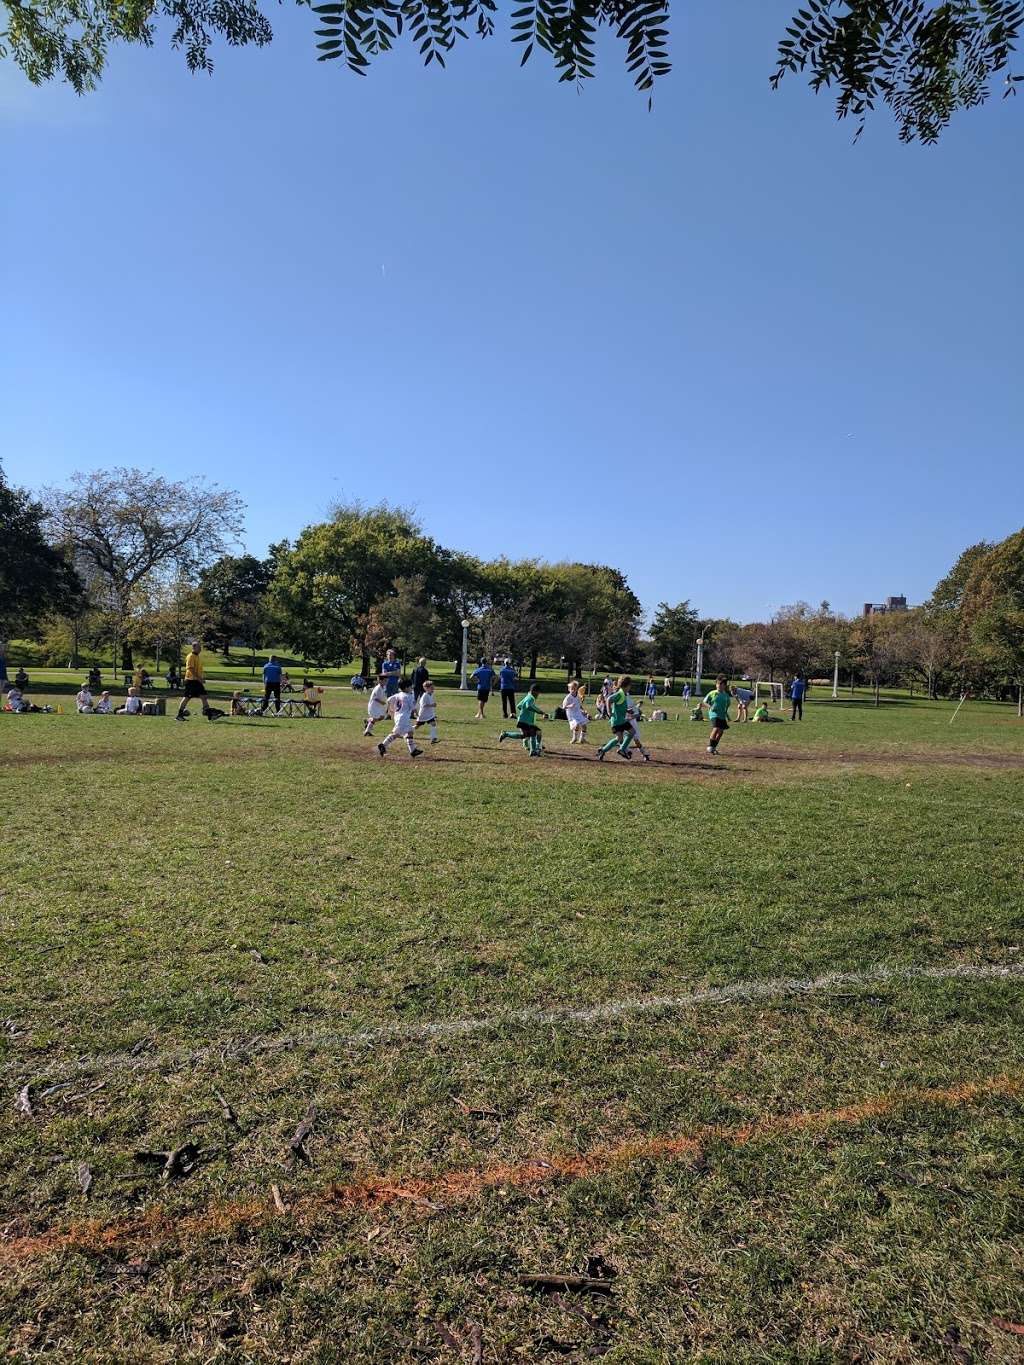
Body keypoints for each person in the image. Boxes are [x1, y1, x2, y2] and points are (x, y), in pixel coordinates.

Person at [498, 682, 547, 756]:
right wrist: (541, 712)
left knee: (526, 735)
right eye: (538, 693)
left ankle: (506, 734)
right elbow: (528, 706)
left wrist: (525, 713)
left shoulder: (528, 696)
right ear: (534, 691)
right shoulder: (531, 698)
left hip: (523, 720)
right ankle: (534, 750)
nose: (538, 695)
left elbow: (519, 706)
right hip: (525, 721)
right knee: (533, 733)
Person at [377, 679, 423, 758]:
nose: (412, 688)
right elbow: (413, 708)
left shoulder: (398, 694)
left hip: (398, 717)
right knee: (396, 734)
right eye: (410, 687)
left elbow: (388, 700)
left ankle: (413, 751)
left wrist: (390, 709)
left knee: (410, 732)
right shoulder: (409, 696)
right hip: (403, 719)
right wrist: (418, 714)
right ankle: (383, 745)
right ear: (406, 688)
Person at [596, 675, 635, 761]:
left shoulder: (623, 693)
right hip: (617, 720)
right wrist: (609, 712)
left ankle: (603, 750)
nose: (630, 687)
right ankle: (622, 749)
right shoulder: (620, 693)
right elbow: (609, 699)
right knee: (631, 732)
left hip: (620, 720)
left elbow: (619, 706)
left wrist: (628, 710)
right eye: (630, 685)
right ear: (627, 685)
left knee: (619, 738)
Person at [175, 642, 217, 721]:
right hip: (191, 681)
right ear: (194, 647)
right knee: (187, 698)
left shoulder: (197, 656)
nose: (200, 649)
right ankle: (179, 715)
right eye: (199, 647)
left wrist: (200, 678)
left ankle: (209, 715)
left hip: (197, 681)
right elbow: (190, 669)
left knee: (204, 696)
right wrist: (199, 678)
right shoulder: (190, 656)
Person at [704, 676, 732, 756]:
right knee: (716, 728)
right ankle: (710, 746)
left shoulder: (726, 696)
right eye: (717, 684)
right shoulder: (712, 693)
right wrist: (710, 707)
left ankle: (714, 747)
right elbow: (705, 702)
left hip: (722, 715)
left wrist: (727, 716)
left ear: (724, 685)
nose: (718, 685)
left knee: (721, 732)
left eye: (721, 684)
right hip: (713, 714)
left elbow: (726, 707)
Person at [562, 679, 589, 744]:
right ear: (569, 689)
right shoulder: (568, 697)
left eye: (575, 688)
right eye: (572, 689)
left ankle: (582, 739)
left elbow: (579, 705)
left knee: (584, 726)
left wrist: (583, 710)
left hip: (578, 713)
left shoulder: (578, 696)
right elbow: (564, 707)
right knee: (576, 724)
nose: (573, 690)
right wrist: (570, 706)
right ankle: (574, 738)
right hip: (572, 714)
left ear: (577, 689)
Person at [413, 679, 440, 743]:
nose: (433, 689)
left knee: (433, 724)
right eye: (431, 688)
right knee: (417, 726)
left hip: (429, 715)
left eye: (433, 687)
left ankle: (433, 738)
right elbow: (423, 705)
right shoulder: (424, 696)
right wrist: (432, 705)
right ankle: (406, 732)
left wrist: (433, 713)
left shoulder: (431, 695)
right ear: (426, 688)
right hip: (423, 715)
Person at [626, 695, 652, 761]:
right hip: (624, 722)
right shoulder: (619, 697)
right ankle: (627, 751)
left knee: (636, 740)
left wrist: (630, 717)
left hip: (631, 723)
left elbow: (637, 714)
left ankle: (644, 753)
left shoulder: (629, 700)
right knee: (621, 739)